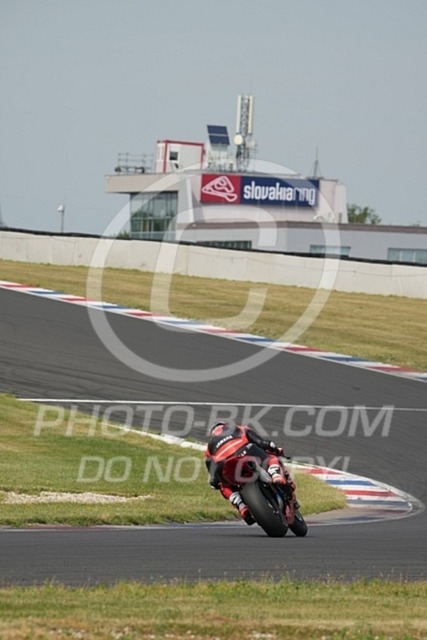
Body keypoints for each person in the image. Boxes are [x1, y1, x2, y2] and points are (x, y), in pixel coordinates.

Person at [205, 421, 296, 525]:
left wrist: (216, 483)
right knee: (271, 458)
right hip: (246, 450)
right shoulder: (239, 428)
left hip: (224, 464)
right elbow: (263, 443)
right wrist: (275, 449)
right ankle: (275, 474)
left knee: (224, 485)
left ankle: (241, 505)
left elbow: (213, 480)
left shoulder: (209, 448)